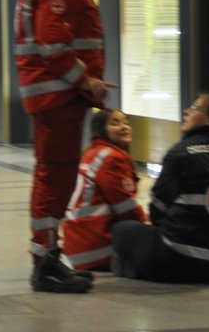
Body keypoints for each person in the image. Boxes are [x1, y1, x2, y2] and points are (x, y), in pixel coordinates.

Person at [14, 0, 110, 293]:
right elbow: (53, 46)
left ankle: (49, 257)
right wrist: (86, 81)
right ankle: (45, 263)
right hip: (57, 96)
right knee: (54, 179)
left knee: (56, 176)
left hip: (56, 96)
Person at [111, 94, 209, 283]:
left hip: (181, 260)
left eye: (195, 107)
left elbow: (157, 209)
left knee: (122, 229)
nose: (186, 111)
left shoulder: (182, 152)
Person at [60, 108, 146, 272]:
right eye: (115, 123)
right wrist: (148, 227)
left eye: (126, 122)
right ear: (101, 130)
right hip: (96, 245)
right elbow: (126, 207)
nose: (124, 127)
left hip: (77, 245)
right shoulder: (112, 158)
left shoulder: (91, 153)